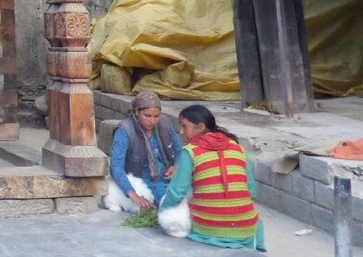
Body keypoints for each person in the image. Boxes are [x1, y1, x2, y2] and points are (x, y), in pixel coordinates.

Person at [160, 105, 265, 251]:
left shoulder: (190, 151)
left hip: (207, 229)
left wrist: (162, 212)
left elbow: (177, 192)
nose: (181, 132)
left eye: (184, 126)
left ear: (200, 127)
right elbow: (252, 191)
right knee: (256, 223)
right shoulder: (237, 148)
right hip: (245, 229)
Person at [108, 90, 182, 210]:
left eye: (156, 116)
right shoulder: (125, 130)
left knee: (195, 192)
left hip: (168, 176)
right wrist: (133, 195)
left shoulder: (164, 124)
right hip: (144, 182)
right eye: (147, 116)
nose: (152, 121)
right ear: (137, 111)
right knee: (169, 201)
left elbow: (179, 151)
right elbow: (116, 167)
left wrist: (177, 166)